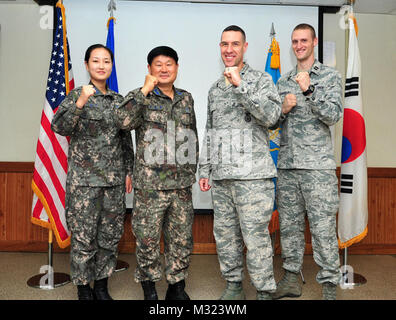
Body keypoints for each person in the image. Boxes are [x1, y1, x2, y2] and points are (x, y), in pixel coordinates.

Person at [198, 25, 282, 300]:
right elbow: (210, 131)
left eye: (235, 44)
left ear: (245, 47)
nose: (229, 49)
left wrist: (240, 85)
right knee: (226, 237)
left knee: (256, 238)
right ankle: (233, 284)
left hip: (253, 178)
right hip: (223, 178)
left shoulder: (260, 80)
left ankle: (264, 290)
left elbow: (271, 117)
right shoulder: (215, 88)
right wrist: (205, 167)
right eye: (224, 44)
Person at [114, 46, 198, 300]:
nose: (164, 69)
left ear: (177, 67)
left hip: (181, 186)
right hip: (150, 187)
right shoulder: (140, 96)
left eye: (169, 64)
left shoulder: (186, 98)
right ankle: (149, 288)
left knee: (181, 240)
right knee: (148, 240)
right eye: (158, 64)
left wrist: (192, 171)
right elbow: (122, 122)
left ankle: (176, 287)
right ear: (149, 69)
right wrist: (143, 91)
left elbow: (191, 136)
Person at [51, 44, 134, 300]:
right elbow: (59, 127)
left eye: (106, 61)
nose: (101, 65)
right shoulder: (76, 94)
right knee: (84, 239)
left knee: (109, 239)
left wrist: (129, 171)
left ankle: (101, 286)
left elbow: (125, 141)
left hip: (113, 183)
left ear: (111, 65)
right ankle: (83, 288)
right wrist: (81, 102)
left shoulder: (119, 101)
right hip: (84, 184)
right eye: (96, 61)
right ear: (87, 65)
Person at [273, 24, 343, 300]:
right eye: (295, 41)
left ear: (314, 42)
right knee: (289, 227)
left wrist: (310, 89)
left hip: (318, 167)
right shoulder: (282, 81)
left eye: (304, 40)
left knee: (323, 227)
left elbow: (333, 114)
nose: (299, 45)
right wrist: (283, 108)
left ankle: (328, 287)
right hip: (288, 166)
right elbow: (272, 123)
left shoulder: (329, 76)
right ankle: (291, 278)